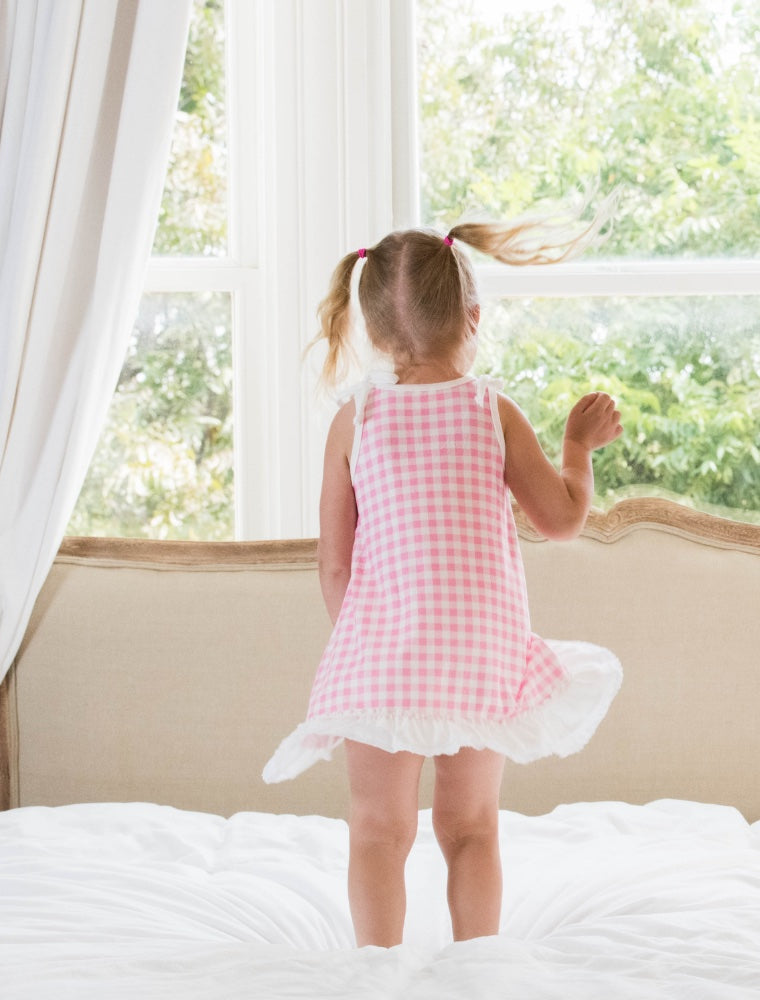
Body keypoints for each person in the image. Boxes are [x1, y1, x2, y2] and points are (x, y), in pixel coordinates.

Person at [262, 213, 624, 949]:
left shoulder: (355, 418)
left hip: (383, 656)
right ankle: (476, 969)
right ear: (473, 318)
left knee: (376, 830)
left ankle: (376, 972)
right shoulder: (490, 410)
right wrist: (578, 448)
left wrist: (362, 639)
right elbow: (559, 520)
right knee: (471, 828)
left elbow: (334, 560)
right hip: (476, 653)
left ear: (370, 330)